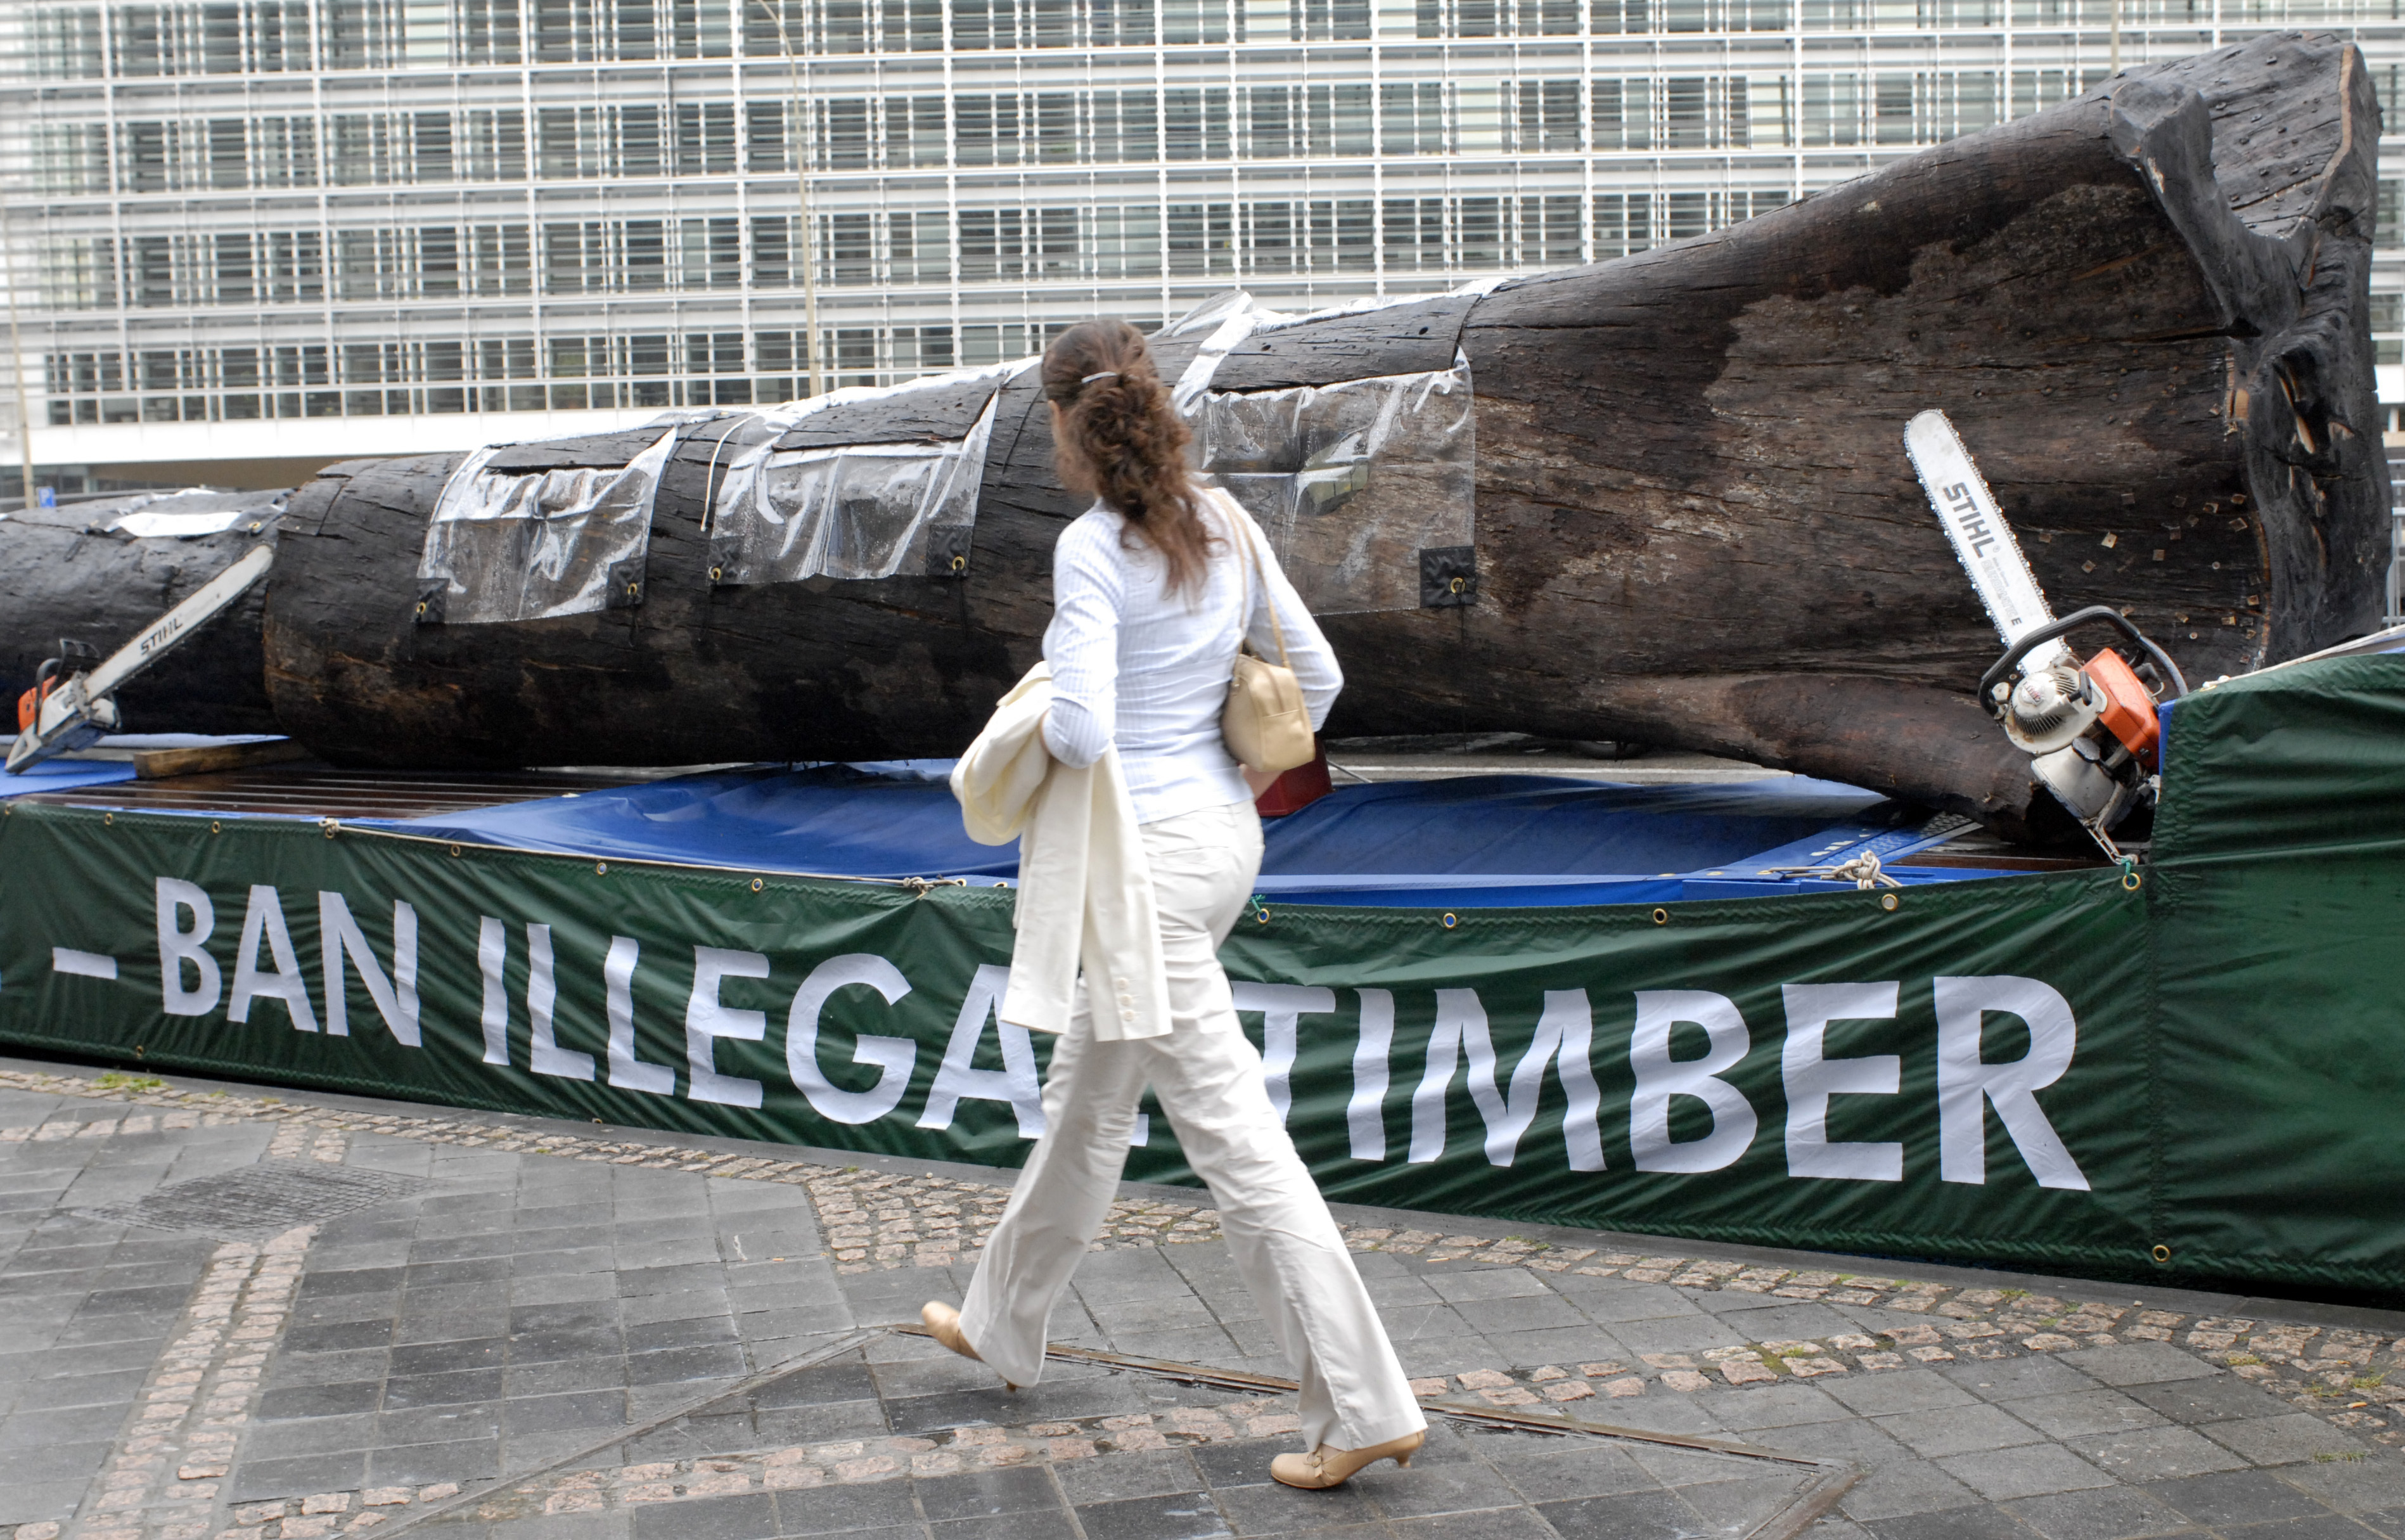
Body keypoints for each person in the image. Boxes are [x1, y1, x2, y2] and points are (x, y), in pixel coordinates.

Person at [921, 318, 1428, 1491]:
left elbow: (1088, 730)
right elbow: (1324, 681)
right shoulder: (1227, 520)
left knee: (1235, 1139)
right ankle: (1003, 1317)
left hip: (1136, 869)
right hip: (1220, 839)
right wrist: (1213, 754)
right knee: (1091, 1099)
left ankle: (1363, 1402)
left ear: (1064, 425)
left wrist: (1033, 706)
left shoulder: (1091, 551)